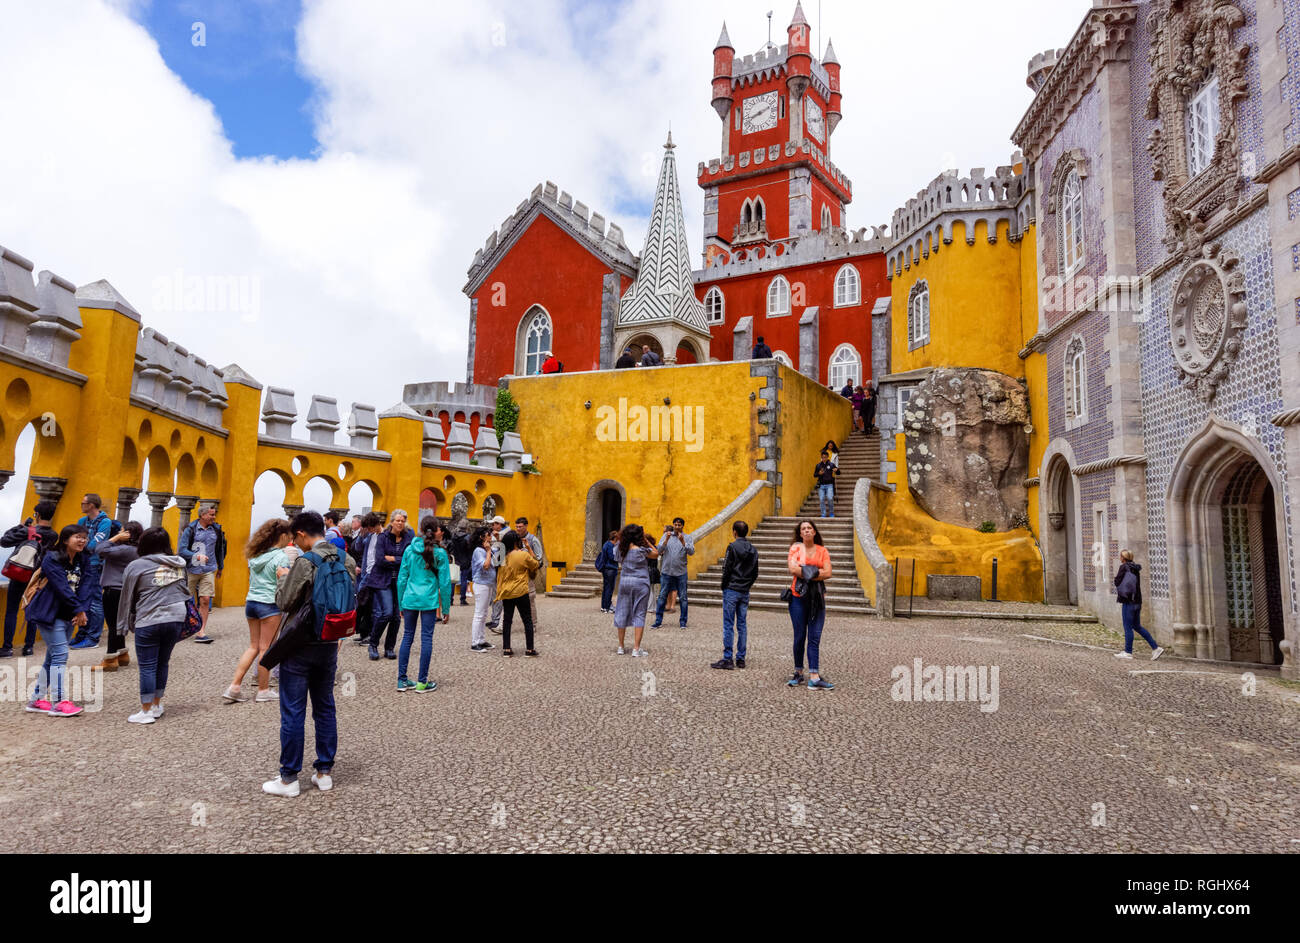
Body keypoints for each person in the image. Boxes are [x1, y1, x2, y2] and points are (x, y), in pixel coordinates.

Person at [263, 511, 356, 797]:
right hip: (329, 642)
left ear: (302, 534)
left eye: (295, 537)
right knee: (325, 707)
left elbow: (285, 601)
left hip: (300, 644)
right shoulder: (346, 560)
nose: (295, 542)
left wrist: (283, 577)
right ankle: (324, 772)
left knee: (293, 710)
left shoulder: (305, 562)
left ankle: (289, 779)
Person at [117, 527, 190, 724]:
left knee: (148, 665)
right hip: (175, 617)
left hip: (149, 618)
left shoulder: (136, 565)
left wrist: (124, 623)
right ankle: (157, 705)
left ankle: (146, 710)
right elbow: (185, 589)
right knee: (163, 662)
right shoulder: (178, 563)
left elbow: (127, 596)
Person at [23, 524, 93, 717]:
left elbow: (87, 584)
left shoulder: (83, 559)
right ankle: (58, 702)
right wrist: (78, 610)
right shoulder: (51, 558)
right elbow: (61, 587)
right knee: (60, 655)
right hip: (49, 613)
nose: (82, 541)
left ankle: (36, 700)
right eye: (77, 537)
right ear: (65, 539)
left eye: (84, 537)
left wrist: (82, 610)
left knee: (52, 657)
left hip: (69, 614)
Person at [224, 518, 293, 703]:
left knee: (253, 646)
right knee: (266, 649)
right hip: (270, 605)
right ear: (283, 536)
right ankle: (263, 690)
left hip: (252, 603)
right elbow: (284, 583)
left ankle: (234, 686)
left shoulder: (256, 555)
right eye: (290, 536)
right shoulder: (281, 557)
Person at [396, 518, 452, 692]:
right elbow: (445, 583)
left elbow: (401, 579)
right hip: (429, 599)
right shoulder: (440, 553)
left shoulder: (409, 550)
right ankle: (422, 682)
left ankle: (402, 680)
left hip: (410, 598)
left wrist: (400, 604)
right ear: (436, 531)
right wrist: (446, 609)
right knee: (426, 638)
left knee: (407, 637)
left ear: (421, 529)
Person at [1, 500, 57, 657]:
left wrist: (21, 526)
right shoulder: (53, 535)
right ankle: (28, 647)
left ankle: (7, 648)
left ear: (37, 515)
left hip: (20, 574)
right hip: (37, 577)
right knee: (31, 610)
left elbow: (4, 541)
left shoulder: (27, 531)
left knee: (12, 610)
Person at [787, 520, 834, 690]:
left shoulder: (822, 550)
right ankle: (798, 672)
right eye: (803, 529)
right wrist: (816, 572)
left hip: (817, 599)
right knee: (799, 636)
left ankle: (814, 676)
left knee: (814, 637)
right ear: (800, 533)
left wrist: (805, 570)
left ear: (814, 532)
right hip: (797, 598)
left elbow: (828, 572)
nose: (806, 531)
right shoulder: (795, 548)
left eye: (809, 528)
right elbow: (792, 570)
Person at [93, 521, 143, 672]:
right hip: (125, 590)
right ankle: (122, 654)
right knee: (119, 623)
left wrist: (115, 538)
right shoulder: (137, 550)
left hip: (114, 590)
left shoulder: (124, 549)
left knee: (113, 624)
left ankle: (110, 659)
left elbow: (99, 549)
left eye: (122, 531)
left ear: (127, 533)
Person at [364, 509, 411, 660]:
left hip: (399, 581)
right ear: (391, 522)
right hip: (382, 580)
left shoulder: (407, 538)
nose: (400, 523)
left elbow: (408, 560)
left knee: (396, 617)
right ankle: (373, 643)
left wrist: (393, 558)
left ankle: (389, 647)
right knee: (387, 613)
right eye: (397, 520)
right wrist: (398, 559)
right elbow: (380, 560)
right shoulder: (383, 537)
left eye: (402, 521)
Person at [68, 493, 114, 649]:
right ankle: (82, 633)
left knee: (95, 601)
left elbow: (93, 546)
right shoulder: (82, 521)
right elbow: (75, 541)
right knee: (82, 599)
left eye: (83, 502)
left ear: (92, 505)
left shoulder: (105, 522)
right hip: (82, 564)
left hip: (95, 565)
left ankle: (93, 638)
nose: (81, 505)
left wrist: (82, 545)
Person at [712, 521, 758, 670]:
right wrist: (747, 585)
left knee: (728, 624)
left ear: (734, 532)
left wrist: (723, 585)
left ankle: (727, 658)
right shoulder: (753, 549)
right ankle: (741, 658)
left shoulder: (732, 547)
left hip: (732, 588)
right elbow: (755, 572)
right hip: (744, 590)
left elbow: (727, 568)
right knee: (742, 625)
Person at [178, 503, 225, 643]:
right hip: (191, 569)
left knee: (205, 599)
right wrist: (196, 556)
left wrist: (220, 566)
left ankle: (201, 631)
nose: (214, 517)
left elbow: (220, 549)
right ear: (203, 515)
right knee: (185, 600)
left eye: (214, 514)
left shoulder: (216, 530)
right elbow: (181, 549)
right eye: (211, 514)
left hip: (208, 569)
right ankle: (181, 627)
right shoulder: (190, 529)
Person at [613, 524, 659, 657]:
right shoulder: (641, 550)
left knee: (621, 611)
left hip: (625, 582)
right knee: (639, 613)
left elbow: (616, 553)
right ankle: (636, 648)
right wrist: (647, 541)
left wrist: (622, 539)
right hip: (640, 582)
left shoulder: (621, 549)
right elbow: (656, 554)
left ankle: (621, 647)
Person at [495, 531, 539, 657]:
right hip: (521, 590)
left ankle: (506, 649)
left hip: (507, 592)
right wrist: (529, 548)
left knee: (507, 620)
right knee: (527, 620)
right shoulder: (522, 555)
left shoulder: (502, 556)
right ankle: (529, 649)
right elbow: (536, 564)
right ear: (516, 541)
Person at [1114, 550, 1163, 661]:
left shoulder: (1124, 567)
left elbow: (1117, 581)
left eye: (1120, 556)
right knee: (1137, 626)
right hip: (1137, 602)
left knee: (1128, 627)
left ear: (1123, 557)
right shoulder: (1135, 568)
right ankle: (1156, 648)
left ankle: (1128, 652)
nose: (1119, 557)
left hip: (1128, 602)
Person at [651, 517, 694, 629]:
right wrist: (666, 540)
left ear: (682, 526)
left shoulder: (688, 537)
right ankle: (658, 621)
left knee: (683, 598)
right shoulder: (666, 536)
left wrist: (683, 542)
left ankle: (683, 622)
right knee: (662, 597)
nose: (677, 527)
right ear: (673, 525)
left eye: (679, 525)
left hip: (681, 573)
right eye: (675, 524)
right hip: (666, 572)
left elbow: (691, 552)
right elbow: (659, 551)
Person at [350, 512, 383, 646]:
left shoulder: (382, 536)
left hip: (374, 575)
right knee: (362, 604)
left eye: (369, 528)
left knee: (372, 607)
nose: (368, 530)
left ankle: (371, 635)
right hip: (365, 574)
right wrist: (361, 536)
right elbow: (358, 548)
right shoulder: (369, 536)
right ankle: (364, 633)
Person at [468, 526, 496, 652]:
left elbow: (501, 557)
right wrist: (489, 551)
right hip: (481, 584)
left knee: (484, 613)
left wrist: (495, 544)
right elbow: (485, 565)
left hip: (488, 583)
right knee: (479, 614)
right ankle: (475, 643)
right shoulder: (479, 551)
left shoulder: (486, 549)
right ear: (481, 537)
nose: (490, 536)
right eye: (488, 534)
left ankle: (481, 639)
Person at [513, 517, 544, 631]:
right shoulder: (514, 538)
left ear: (526, 526)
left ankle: (533, 624)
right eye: (516, 526)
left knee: (530, 600)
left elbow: (539, 559)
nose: (518, 529)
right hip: (516, 574)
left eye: (520, 527)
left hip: (527, 574)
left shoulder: (533, 540)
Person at [486, 515, 507, 632]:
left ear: (499, 524)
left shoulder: (503, 536)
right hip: (497, 567)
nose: (492, 526)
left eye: (493, 524)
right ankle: (495, 618)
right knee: (495, 595)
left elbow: (502, 554)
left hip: (499, 568)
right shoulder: (498, 535)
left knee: (498, 595)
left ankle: (497, 620)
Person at [595, 528, 620, 613]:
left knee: (606, 588)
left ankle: (604, 606)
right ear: (615, 538)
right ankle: (608, 607)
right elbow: (612, 557)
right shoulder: (610, 545)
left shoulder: (606, 544)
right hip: (611, 569)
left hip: (606, 569)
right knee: (609, 588)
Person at [450, 525, 474, 606]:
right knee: (464, 580)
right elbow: (470, 549)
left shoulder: (454, 537)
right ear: (466, 529)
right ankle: (462, 599)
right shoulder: (468, 538)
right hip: (465, 560)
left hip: (456, 560)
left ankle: (450, 600)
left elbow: (451, 548)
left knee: (453, 580)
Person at [815, 449, 840, 518]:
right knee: (821, 499)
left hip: (829, 485)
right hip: (821, 485)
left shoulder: (831, 465)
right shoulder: (818, 465)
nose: (824, 459)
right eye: (822, 457)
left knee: (830, 498)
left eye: (825, 457)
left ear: (827, 457)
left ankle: (831, 513)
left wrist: (837, 470)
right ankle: (823, 514)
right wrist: (819, 473)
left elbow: (838, 472)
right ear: (821, 457)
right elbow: (815, 475)